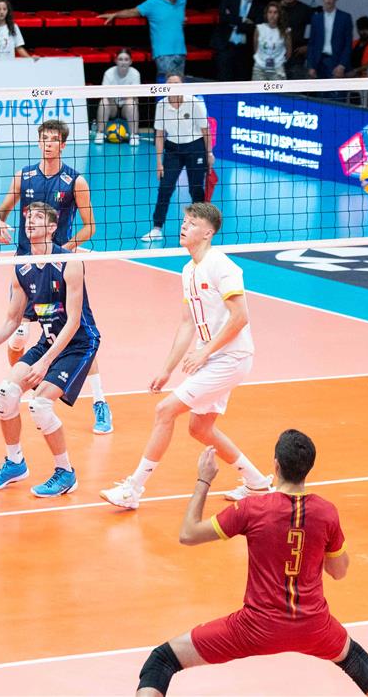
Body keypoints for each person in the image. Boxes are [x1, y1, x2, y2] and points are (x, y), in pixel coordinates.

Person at [134, 437, 368, 697]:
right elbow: (339, 571)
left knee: (162, 660)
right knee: (356, 660)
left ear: (276, 465)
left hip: (255, 628)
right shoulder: (326, 512)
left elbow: (188, 534)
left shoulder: (251, 509)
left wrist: (204, 480)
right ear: (308, 468)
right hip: (314, 627)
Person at [103, 203, 273, 510]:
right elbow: (187, 324)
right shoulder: (188, 271)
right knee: (200, 429)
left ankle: (133, 489)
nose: (184, 226)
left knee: (165, 411)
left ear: (208, 233)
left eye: (192, 223)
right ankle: (258, 483)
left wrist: (205, 351)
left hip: (231, 357)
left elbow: (240, 317)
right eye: (184, 221)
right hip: (214, 357)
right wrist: (167, 369)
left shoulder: (221, 266)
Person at [0, 202, 99, 498]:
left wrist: (46, 362)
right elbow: (12, 319)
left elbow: (74, 321)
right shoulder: (21, 268)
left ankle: (65, 473)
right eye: (28, 217)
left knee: (40, 405)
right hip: (48, 341)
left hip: (78, 344)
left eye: (38, 217)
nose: (31, 221)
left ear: (52, 227)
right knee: (6, 393)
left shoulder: (70, 263)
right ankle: (15, 464)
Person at [0, 120, 112, 434]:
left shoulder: (75, 181)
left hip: (58, 268)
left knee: (73, 331)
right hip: (26, 268)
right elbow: (2, 210)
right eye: (44, 139)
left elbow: (90, 227)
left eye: (54, 139)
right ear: (38, 142)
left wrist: (62, 252)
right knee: (18, 335)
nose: (48, 144)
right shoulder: (23, 176)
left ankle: (100, 401)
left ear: (63, 144)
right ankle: (28, 384)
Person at [141, 75, 212, 242]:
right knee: (165, 188)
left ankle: (200, 228)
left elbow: (205, 130)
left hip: (195, 147)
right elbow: (159, 135)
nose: (173, 86)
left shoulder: (193, 102)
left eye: (176, 83)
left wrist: (209, 153)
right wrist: (159, 162)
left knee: (196, 189)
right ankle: (157, 228)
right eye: (170, 83)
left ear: (182, 85)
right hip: (173, 149)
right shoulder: (161, 105)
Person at [102, 0, 187, 80]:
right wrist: (115, 15)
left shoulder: (182, 1)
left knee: (180, 86)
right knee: (166, 85)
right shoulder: (153, 2)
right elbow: (133, 11)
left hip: (181, 52)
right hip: (163, 53)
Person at [211, 0, 265, 81]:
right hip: (225, 47)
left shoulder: (260, 6)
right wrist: (243, 20)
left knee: (242, 83)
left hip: (244, 51)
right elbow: (223, 18)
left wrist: (233, 19)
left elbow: (255, 28)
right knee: (223, 82)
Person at [306, 0, 353, 99]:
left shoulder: (345, 18)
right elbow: (312, 43)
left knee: (337, 96)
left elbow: (348, 44)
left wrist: (342, 65)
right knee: (320, 96)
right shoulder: (316, 18)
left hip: (336, 61)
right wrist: (311, 65)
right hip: (320, 61)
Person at [95, 48, 142, 146]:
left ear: (131, 61)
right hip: (113, 106)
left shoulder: (135, 73)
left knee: (131, 102)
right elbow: (104, 94)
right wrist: (124, 95)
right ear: (116, 61)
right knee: (103, 101)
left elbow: (134, 96)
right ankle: (100, 133)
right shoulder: (109, 73)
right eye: (120, 59)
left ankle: (134, 135)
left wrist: (119, 95)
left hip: (126, 107)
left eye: (126, 59)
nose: (123, 62)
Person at [278, 0, 313, 80]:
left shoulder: (306, 10)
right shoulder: (275, 10)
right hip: (277, 56)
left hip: (297, 57)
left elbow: (315, 32)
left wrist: (307, 46)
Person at [251, 1, 290, 82]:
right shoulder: (259, 28)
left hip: (277, 69)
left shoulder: (285, 31)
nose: (272, 15)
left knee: (278, 90)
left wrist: (279, 61)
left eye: (275, 12)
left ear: (279, 15)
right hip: (259, 68)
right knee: (258, 90)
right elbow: (256, 48)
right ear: (266, 14)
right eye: (270, 12)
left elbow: (288, 51)